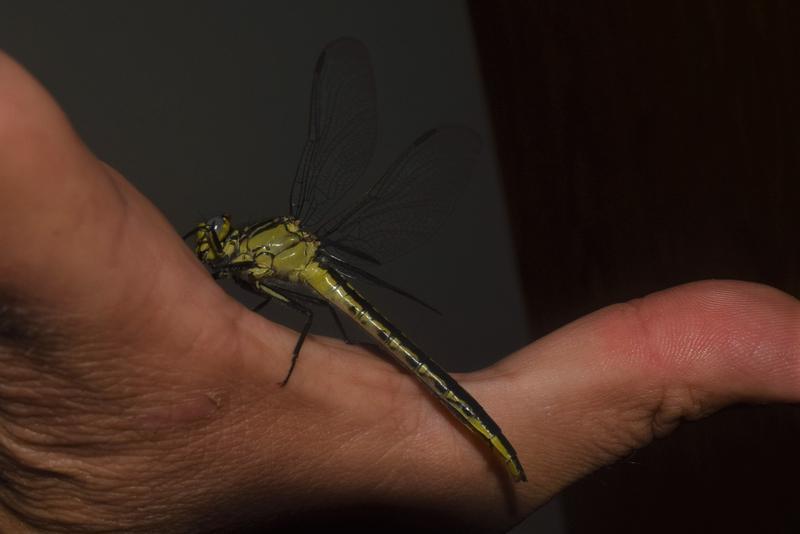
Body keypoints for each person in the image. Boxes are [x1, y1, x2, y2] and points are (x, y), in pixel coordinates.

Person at [1, 49, 798, 533]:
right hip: (317, 297)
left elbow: (293, 308)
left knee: (341, 327)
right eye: (215, 244)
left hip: (328, 292)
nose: (216, 244)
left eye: (218, 238)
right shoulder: (250, 263)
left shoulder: (269, 253)